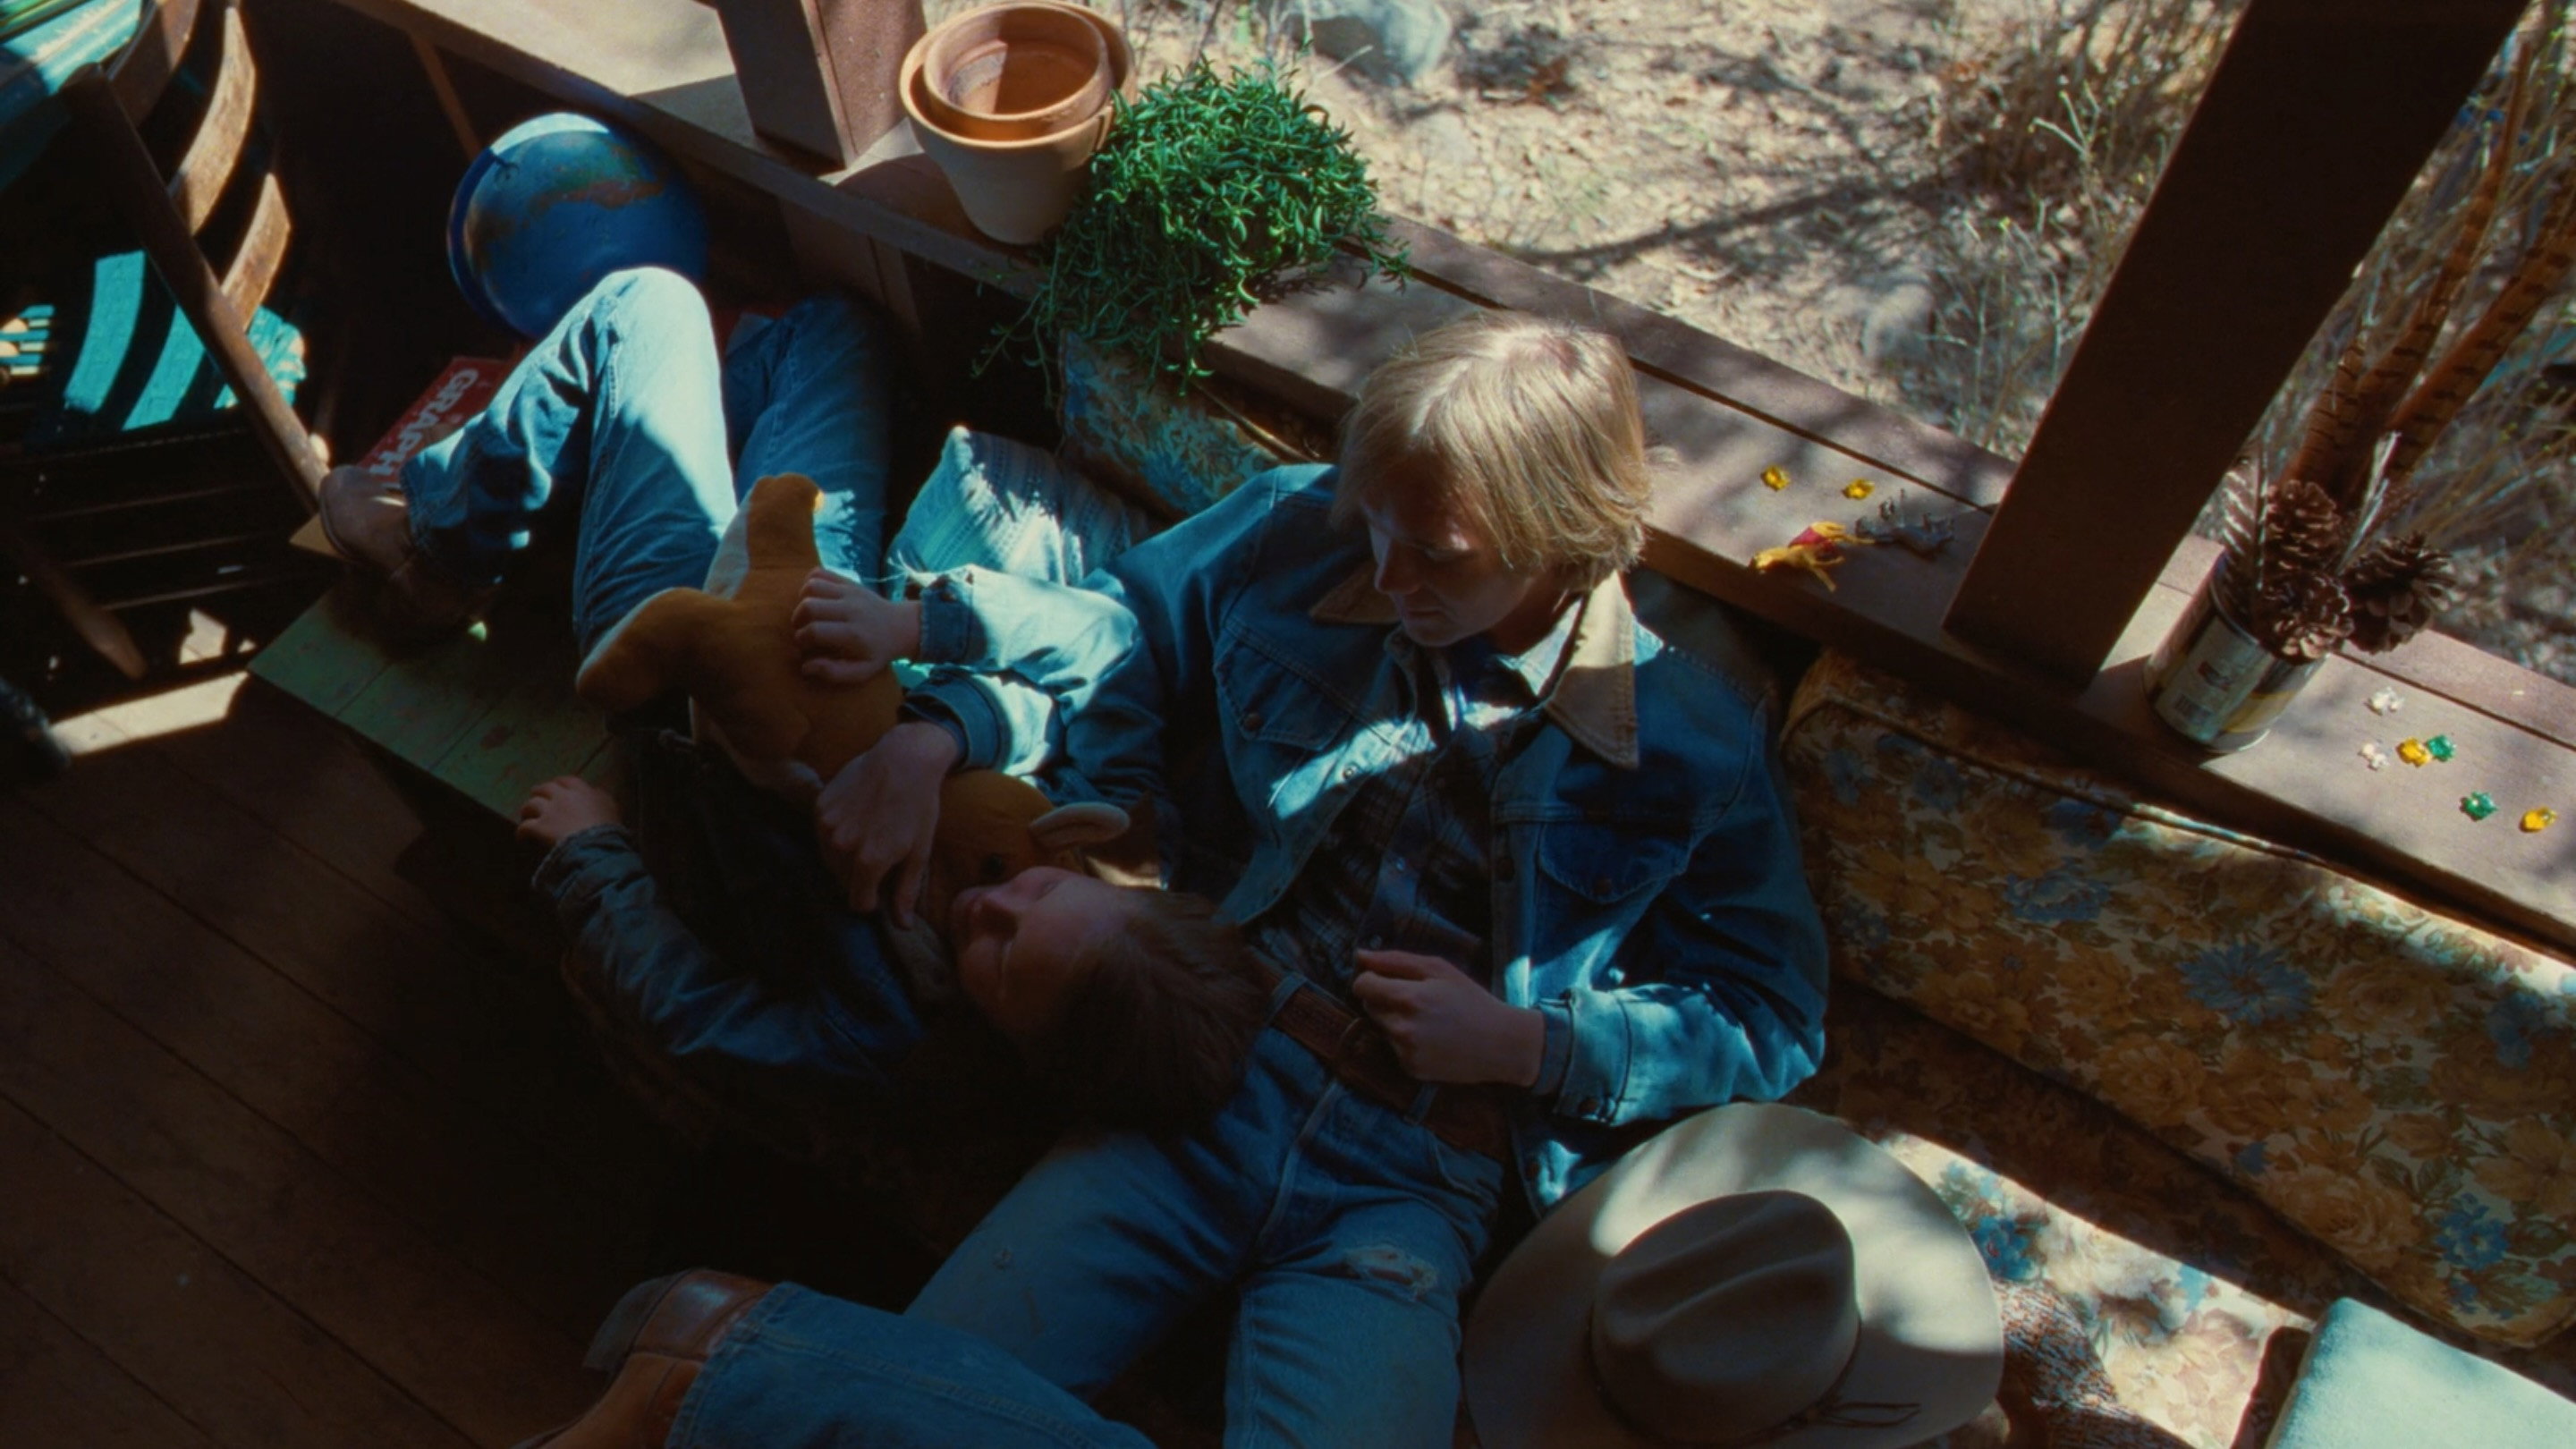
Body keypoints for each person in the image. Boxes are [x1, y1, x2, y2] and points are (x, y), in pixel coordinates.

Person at [770, 309, 1835, 1446]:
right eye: (1374, 524)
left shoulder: (1696, 730)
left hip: (1414, 1182)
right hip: (1215, 1067)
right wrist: (959, 741)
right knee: (895, 1412)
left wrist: (1527, 1044)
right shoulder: (1301, 529)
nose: (1388, 574)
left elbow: (1769, 1015)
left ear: (1562, 534)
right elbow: (1121, 636)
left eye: (1438, 554)